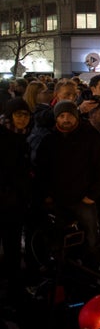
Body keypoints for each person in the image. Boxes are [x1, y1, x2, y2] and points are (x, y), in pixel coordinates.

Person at [35, 100, 100, 271]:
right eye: (61, 116)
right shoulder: (49, 141)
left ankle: (92, 270)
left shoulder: (90, 139)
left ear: (76, 117)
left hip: (83, 200)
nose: (66, 119)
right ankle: (63, 274)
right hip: (57, 200)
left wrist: (92, 195)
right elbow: (41, 171)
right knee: (59, 240)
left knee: (90, 237)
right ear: (56, 119)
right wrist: (46, 195)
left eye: (69, 115)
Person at [0, 98, 32, 295]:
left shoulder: (22, 136)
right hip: (5, 199)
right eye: (19, 115)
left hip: (17, 201)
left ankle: (13, 282)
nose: (23, 119)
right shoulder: (4, 137)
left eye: (26, 115)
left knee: (12, 242)